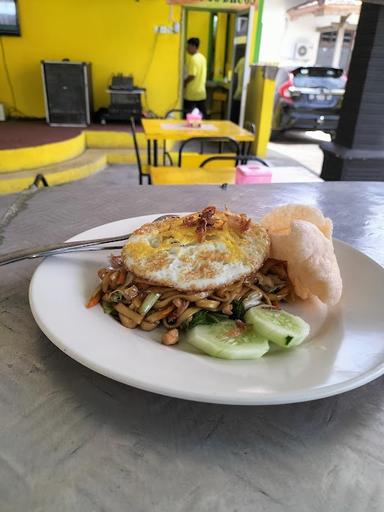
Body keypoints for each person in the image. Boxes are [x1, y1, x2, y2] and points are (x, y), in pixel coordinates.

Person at [184, 37, 207, 117]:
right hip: (201, 93)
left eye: (188, 46)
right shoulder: (203, 58)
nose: (187, 49)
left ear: (193, 46)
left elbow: (192, 75)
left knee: (189, 117)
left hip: (192, 94)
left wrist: (184, 82)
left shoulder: (193, 59)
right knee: (202, 117)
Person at [231, 56, 245, 123]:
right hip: (246, 94)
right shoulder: (249, 62)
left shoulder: (241, 60)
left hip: (238, 92)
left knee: (234, 115)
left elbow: (235, 76)